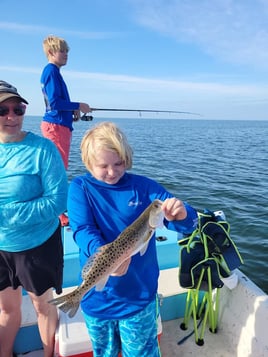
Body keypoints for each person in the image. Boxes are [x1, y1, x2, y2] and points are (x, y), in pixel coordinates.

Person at [67, 121, 198, 357]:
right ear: (88, 163)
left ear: (127, 158)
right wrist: (107, 259)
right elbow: (82, 229)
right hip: (97, 300)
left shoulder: (144, 188)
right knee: (104, 353)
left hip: (138, 298)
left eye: (119, 163)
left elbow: (186, 224)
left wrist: (182, 212)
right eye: (103, 165)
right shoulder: (80, 187)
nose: (112, 171)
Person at [0, 80, 68, 357]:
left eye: (18, 109)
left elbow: (57, 202)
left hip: (37, 246)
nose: (11, 116)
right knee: (6, 308)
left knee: (43, 306)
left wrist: (5, 214)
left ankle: (48, 353)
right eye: (2, 110)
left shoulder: (43, 150)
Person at [40, 35, 91, 226]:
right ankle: (59, 213)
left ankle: (58, 209)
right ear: (51, 52)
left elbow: (56, 104)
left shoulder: (53, 72)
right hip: (56, 127)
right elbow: (54, 103)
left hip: (60, 125)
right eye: (63, 50)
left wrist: (72, 111)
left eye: (67, 51)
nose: (66, 54)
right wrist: (79, 104)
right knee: (57, 170)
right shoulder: (51, 71)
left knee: (59, 168)